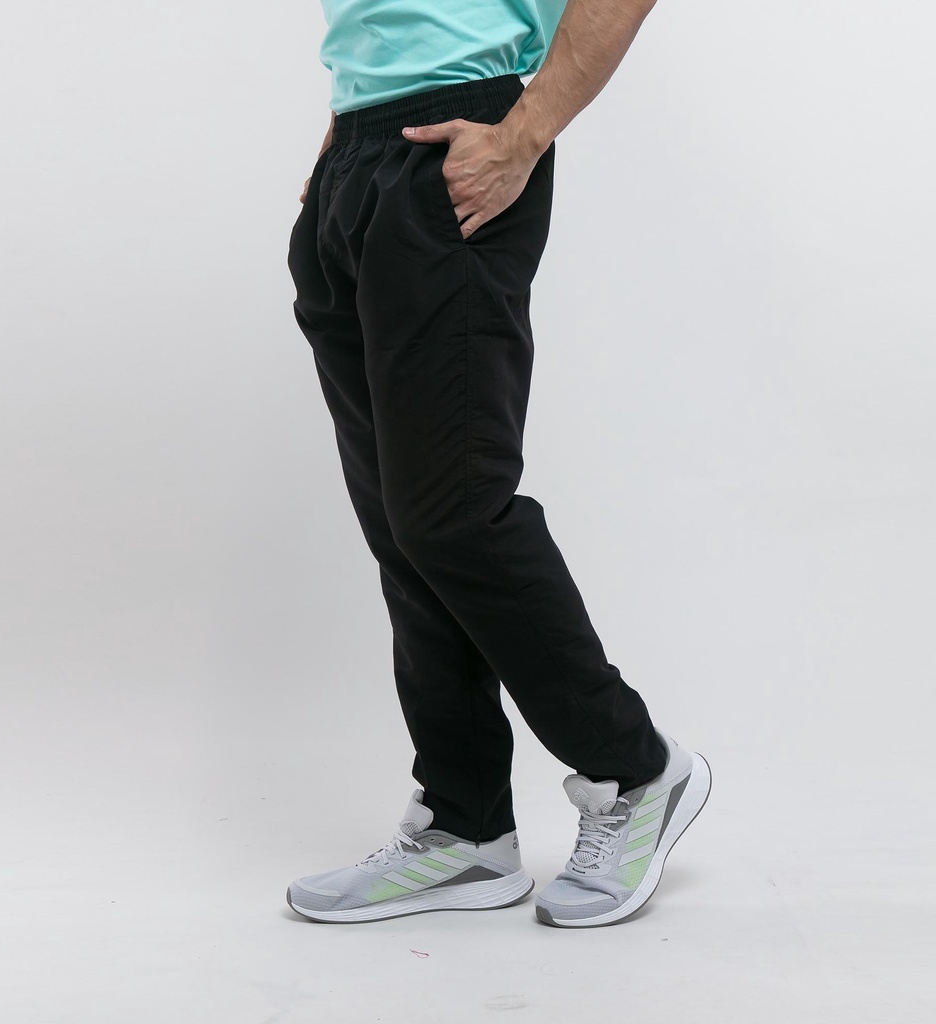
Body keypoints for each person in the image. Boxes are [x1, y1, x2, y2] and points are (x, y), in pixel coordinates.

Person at [285, 0, 711, 928]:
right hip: (360, 151)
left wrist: (522, 135)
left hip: (458, 147)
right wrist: (344, 143)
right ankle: (464, 824)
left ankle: (635, 767)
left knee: (454, 512)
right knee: (403, 524)